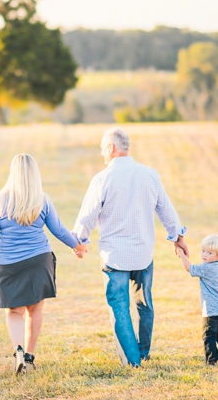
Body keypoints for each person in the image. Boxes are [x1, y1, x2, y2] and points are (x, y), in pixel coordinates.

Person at [71, 127, 188, 368]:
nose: (103, 154)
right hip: (143, 253)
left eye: (104, 149)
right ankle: (143, 353)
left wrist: (80, 242)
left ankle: (133, 361)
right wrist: (177, 236)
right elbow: (166, 209)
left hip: (115, 257)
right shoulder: (149, 174)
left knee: (119, 306)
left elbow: (87, 215)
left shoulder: (102, 178)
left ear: (112, 148)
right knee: (144, 303)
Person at [0, 153, 87, 374]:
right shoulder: (42, 199)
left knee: (14, 311)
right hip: (39, 260)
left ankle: (17, 350)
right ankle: (29, 355)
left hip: (9, 262)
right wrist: (77, 246)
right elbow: (59, 230)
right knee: (35, 309)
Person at [175, 234, 218, 365]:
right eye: (203, 251)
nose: (204, 255)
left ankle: (213, 360)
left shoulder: (207, 268)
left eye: (209, 253)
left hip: (212, 310)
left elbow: (189, 268)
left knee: (208, 335)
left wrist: (182, 254)